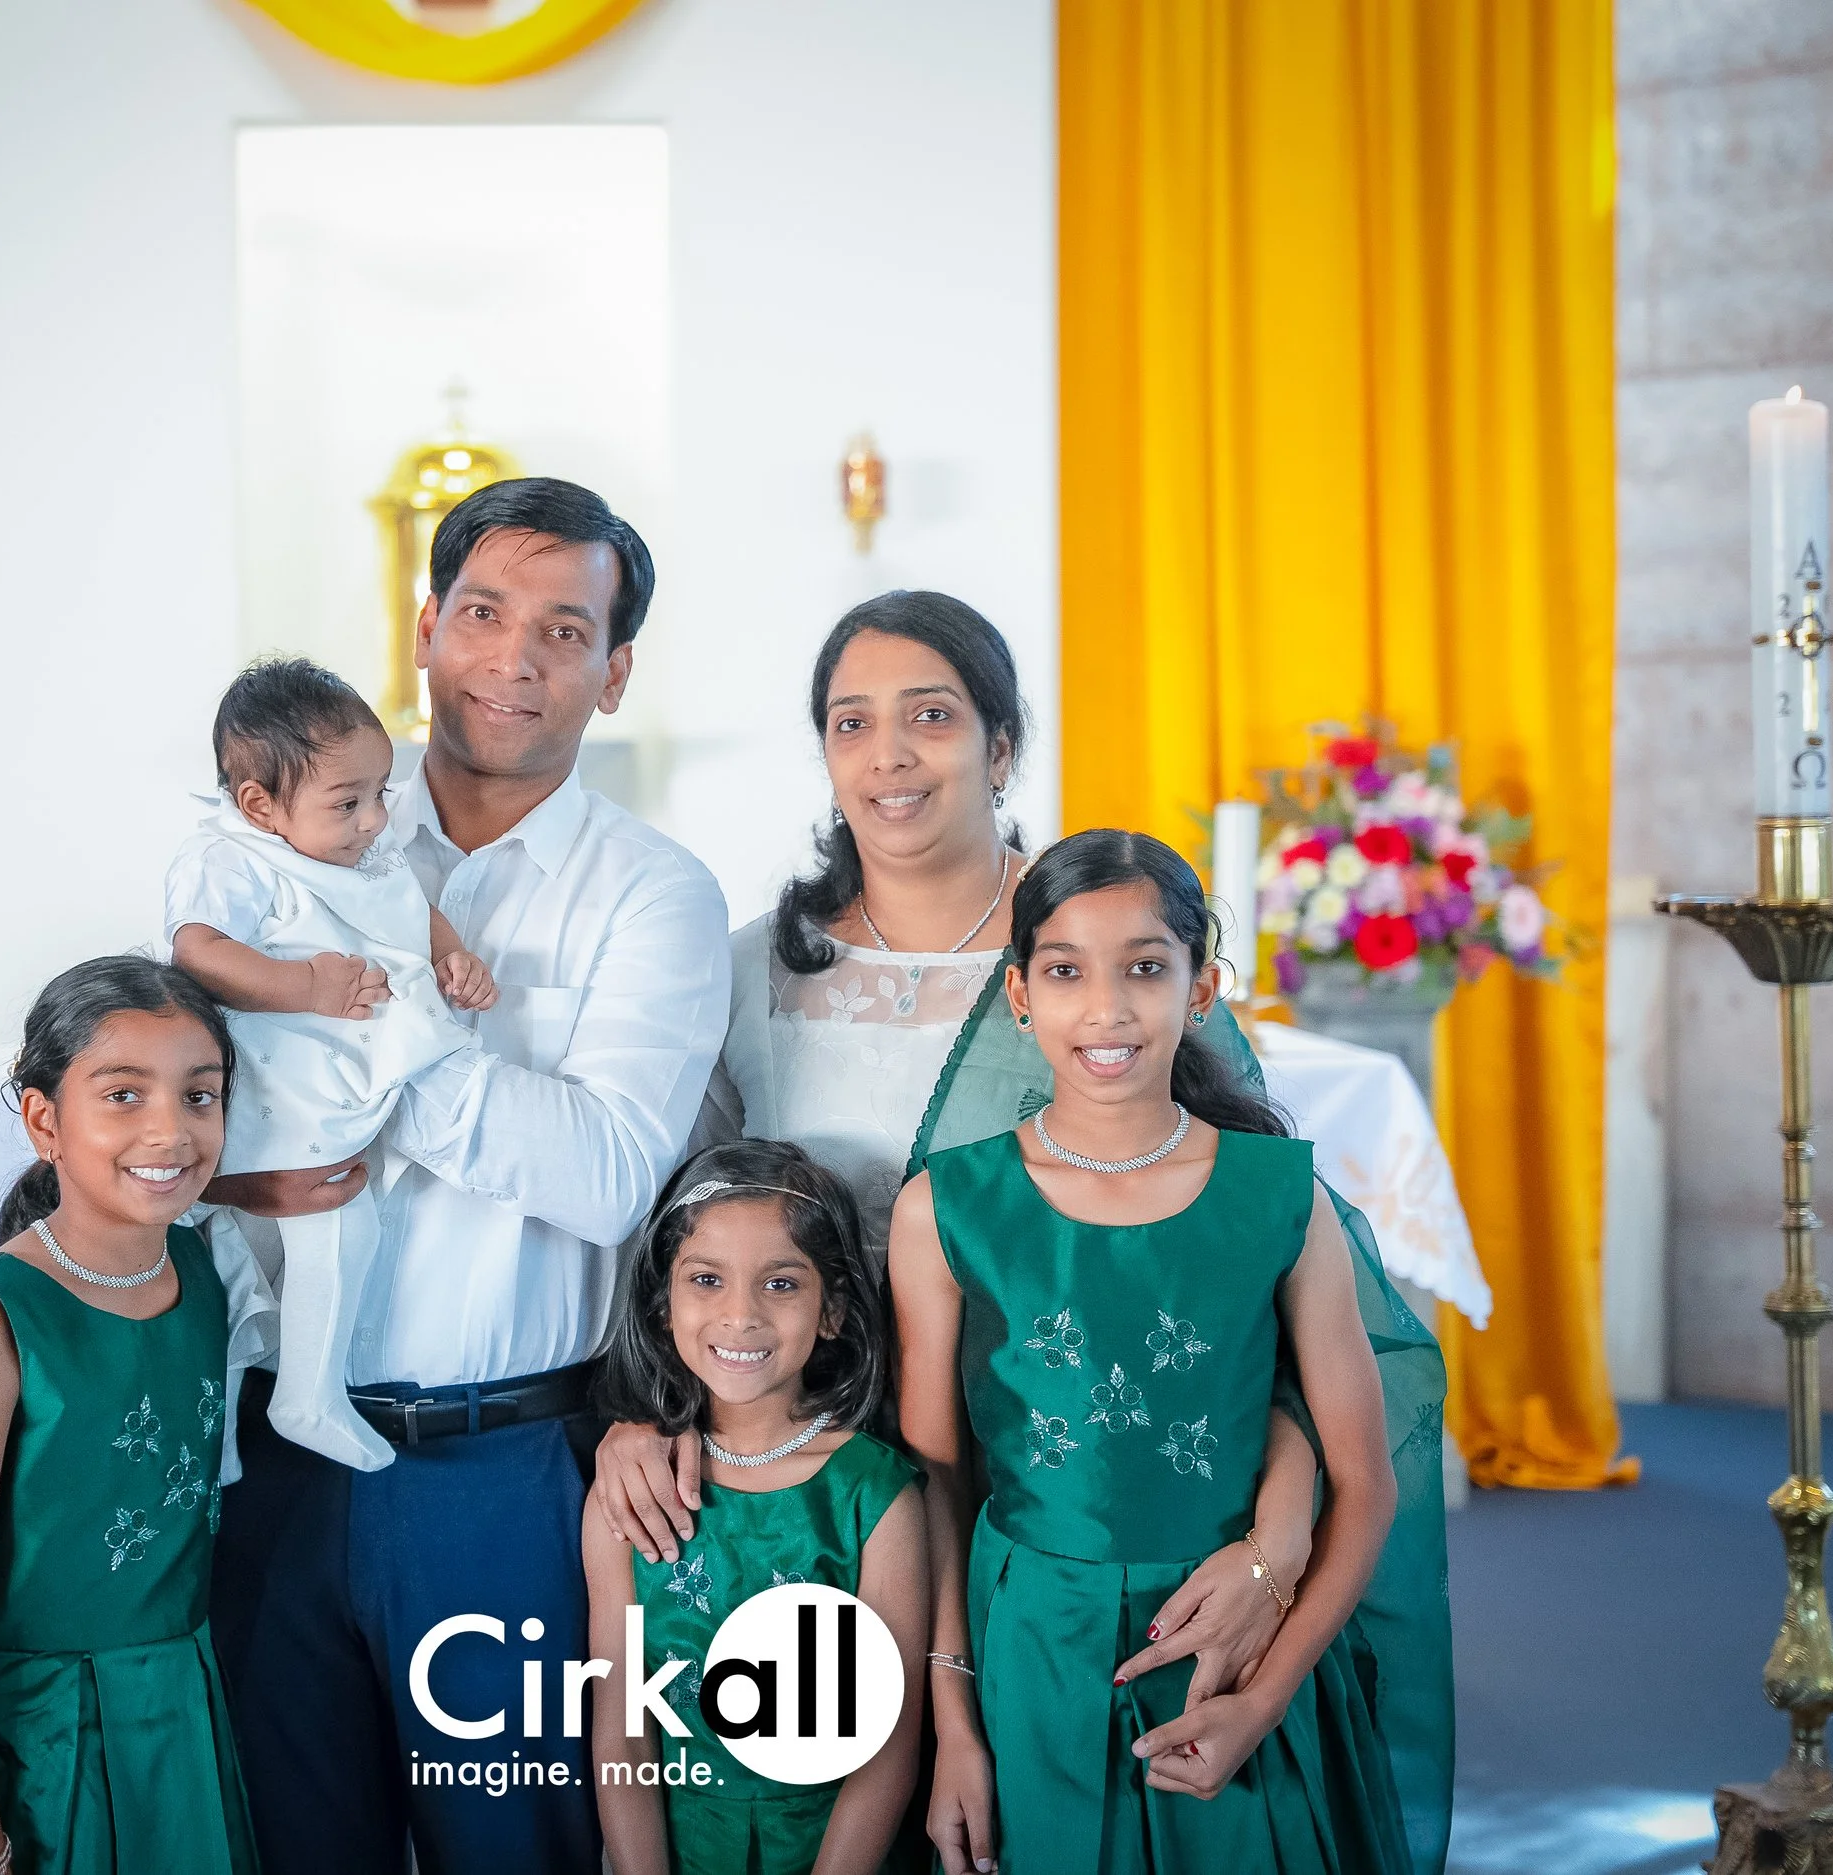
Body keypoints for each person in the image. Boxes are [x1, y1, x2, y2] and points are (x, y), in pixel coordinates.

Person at [589, 597, 1323, 1794]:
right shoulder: (744, 970)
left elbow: (1247, 1283)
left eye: (929, 716)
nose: (888, 755)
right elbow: (681, 1232)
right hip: (810, 1480)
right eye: (850, 723)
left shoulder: (1097, 956)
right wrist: (643, 1411)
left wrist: (1278, 1539)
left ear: (1001, 743)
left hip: (1059, 1497)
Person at [204, 477, 733, 1875]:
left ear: (613, 672)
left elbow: (609, 1175)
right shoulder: (276, 849)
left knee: (521, 1853)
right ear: (427, 626)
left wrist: (369, 1036)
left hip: (500, 1475)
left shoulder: (653, 892)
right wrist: (240, 1170)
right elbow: (184, 1091)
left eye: (567, 630)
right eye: (486, 613)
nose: (516, 656)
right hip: (273, 1457)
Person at [893, 830, 1429, 1875]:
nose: (1105, 1009)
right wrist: (951, 1724)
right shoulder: (947, 1208)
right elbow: (937, 1482)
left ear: (1201, 989)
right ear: (1018, 994)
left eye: (1145, 967)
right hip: (1033, 1656)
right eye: (1064, 971)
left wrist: (1266, 1698)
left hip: (1246, 1651)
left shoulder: (1282, 1199)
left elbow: (1365, 1486)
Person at [0, 956, 259, 1875]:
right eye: (122, 1095)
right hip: (29, 1746)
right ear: (43, 1120)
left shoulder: (204, 1277)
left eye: (200, 1096)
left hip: (173, 1726)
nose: (171, 1130)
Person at [166, 655, 494, 1472]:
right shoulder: (232, 860)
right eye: (349, 801)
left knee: (324, 1232)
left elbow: (411, 913)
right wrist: (300, 982)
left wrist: (453, 960)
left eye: (382, 790)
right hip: (272, 1079)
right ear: (258, 805)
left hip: (328, 1076)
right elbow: (195, 950)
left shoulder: (358, 850)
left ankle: (262, 1411)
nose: (377, 819)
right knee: (311, 1231)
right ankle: (294, 1399)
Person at [586, 1140, 928, 1875]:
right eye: (706, 1279)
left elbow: (888, 1743)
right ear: (663, 1301)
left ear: (832, 1308)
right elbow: (622, 1731)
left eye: (780, 1283)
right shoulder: (630, 1493)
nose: (739, 1315)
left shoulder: (877, 1494)